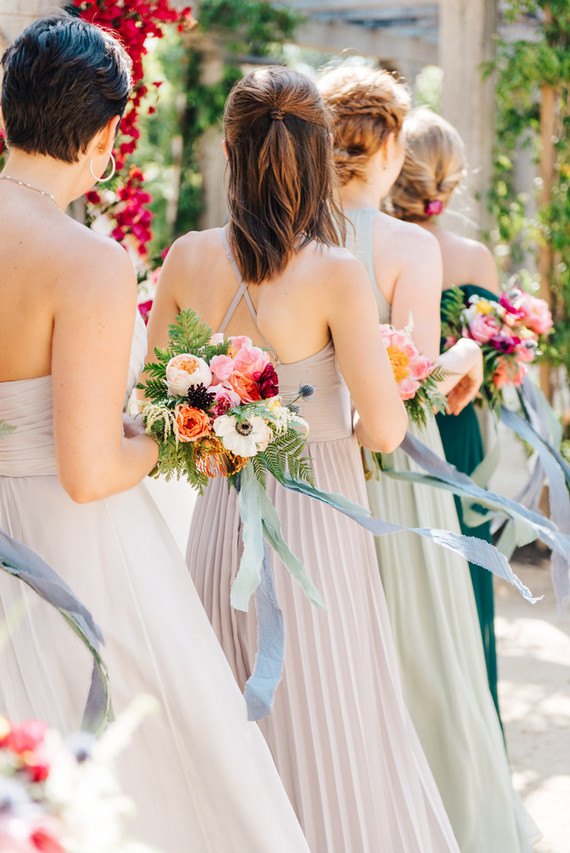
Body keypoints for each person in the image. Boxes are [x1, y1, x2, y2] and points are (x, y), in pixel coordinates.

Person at [0, 14, 312, 852]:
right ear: (107, 133)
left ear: (6, 115)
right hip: (74, 551)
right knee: (158, 751)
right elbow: (89, 471)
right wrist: (171, 432)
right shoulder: (88, 260)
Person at [147, 66, 460, 852]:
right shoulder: (336, 272)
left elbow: (152, 406)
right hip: (318, 527)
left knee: (233, 725)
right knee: (336, 718)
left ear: (230, 149)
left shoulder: (185, 258)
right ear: (320, 156)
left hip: (224, 525)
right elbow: (384, 433)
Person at [319, 64, 537, 852]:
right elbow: (409, 375)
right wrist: (470, 362)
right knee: (428, 649)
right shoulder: (409, 244)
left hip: (316, 469)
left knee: (341, 652)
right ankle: (445, 819)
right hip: (403, 476)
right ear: (384, 152)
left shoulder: (290, 231)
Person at [388, 106, 502, 719]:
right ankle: (473, 713)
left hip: (397, 432)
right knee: (467, 572)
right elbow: (495, 362)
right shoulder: (475, 258)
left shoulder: (372, 253)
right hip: (461, 434)